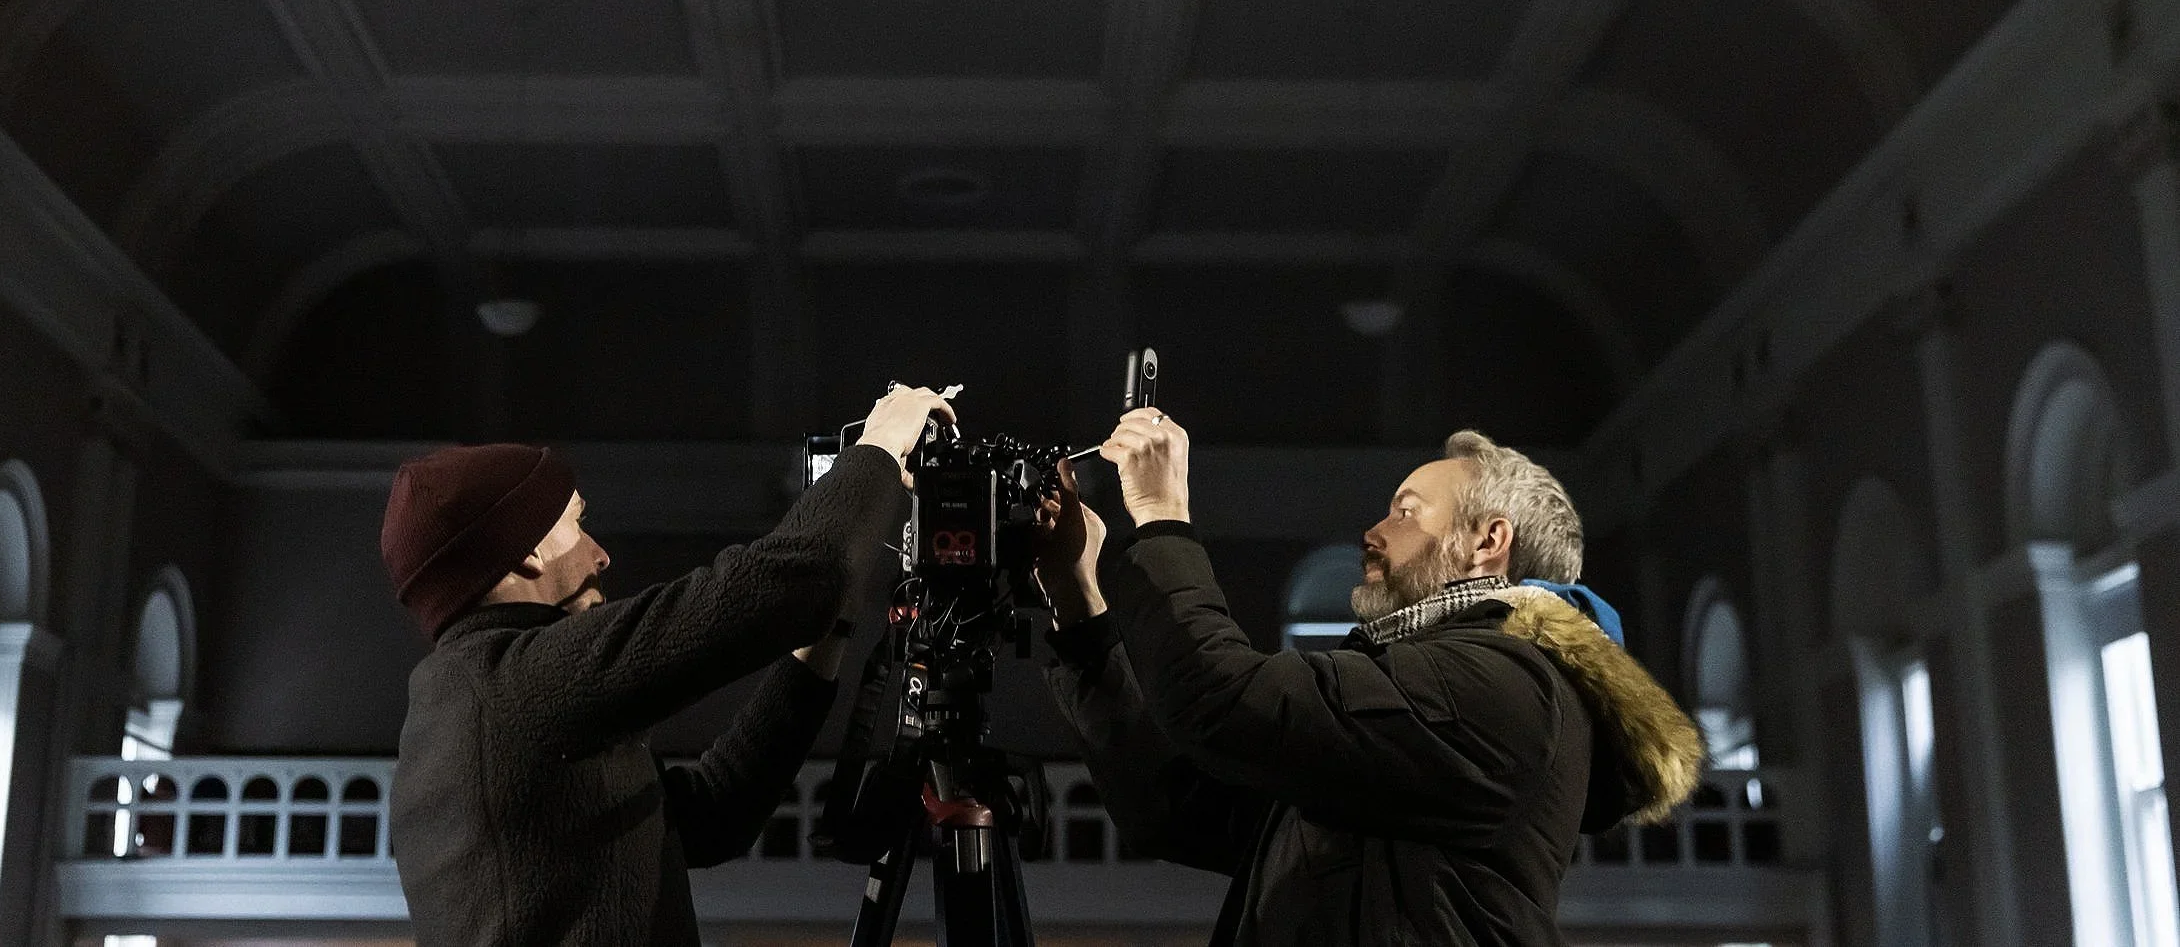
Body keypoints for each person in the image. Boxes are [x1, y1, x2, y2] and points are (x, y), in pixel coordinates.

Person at [1033, 412, 1703, 947]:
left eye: (1407, 511)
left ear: (1486, 542)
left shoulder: (1504, 681)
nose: (1375, 531)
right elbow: (1179, 806)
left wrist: (1160, 515)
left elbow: (1223, 699)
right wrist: (1077, 600)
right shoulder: (1421, 711)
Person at [383, 384, 954, 947]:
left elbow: (715, 815)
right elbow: (797, 579)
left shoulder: (472, 702)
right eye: (576, 523)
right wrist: (879, 444)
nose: (599, 553)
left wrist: (825, 629)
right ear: (526, 549)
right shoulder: (514, 684)